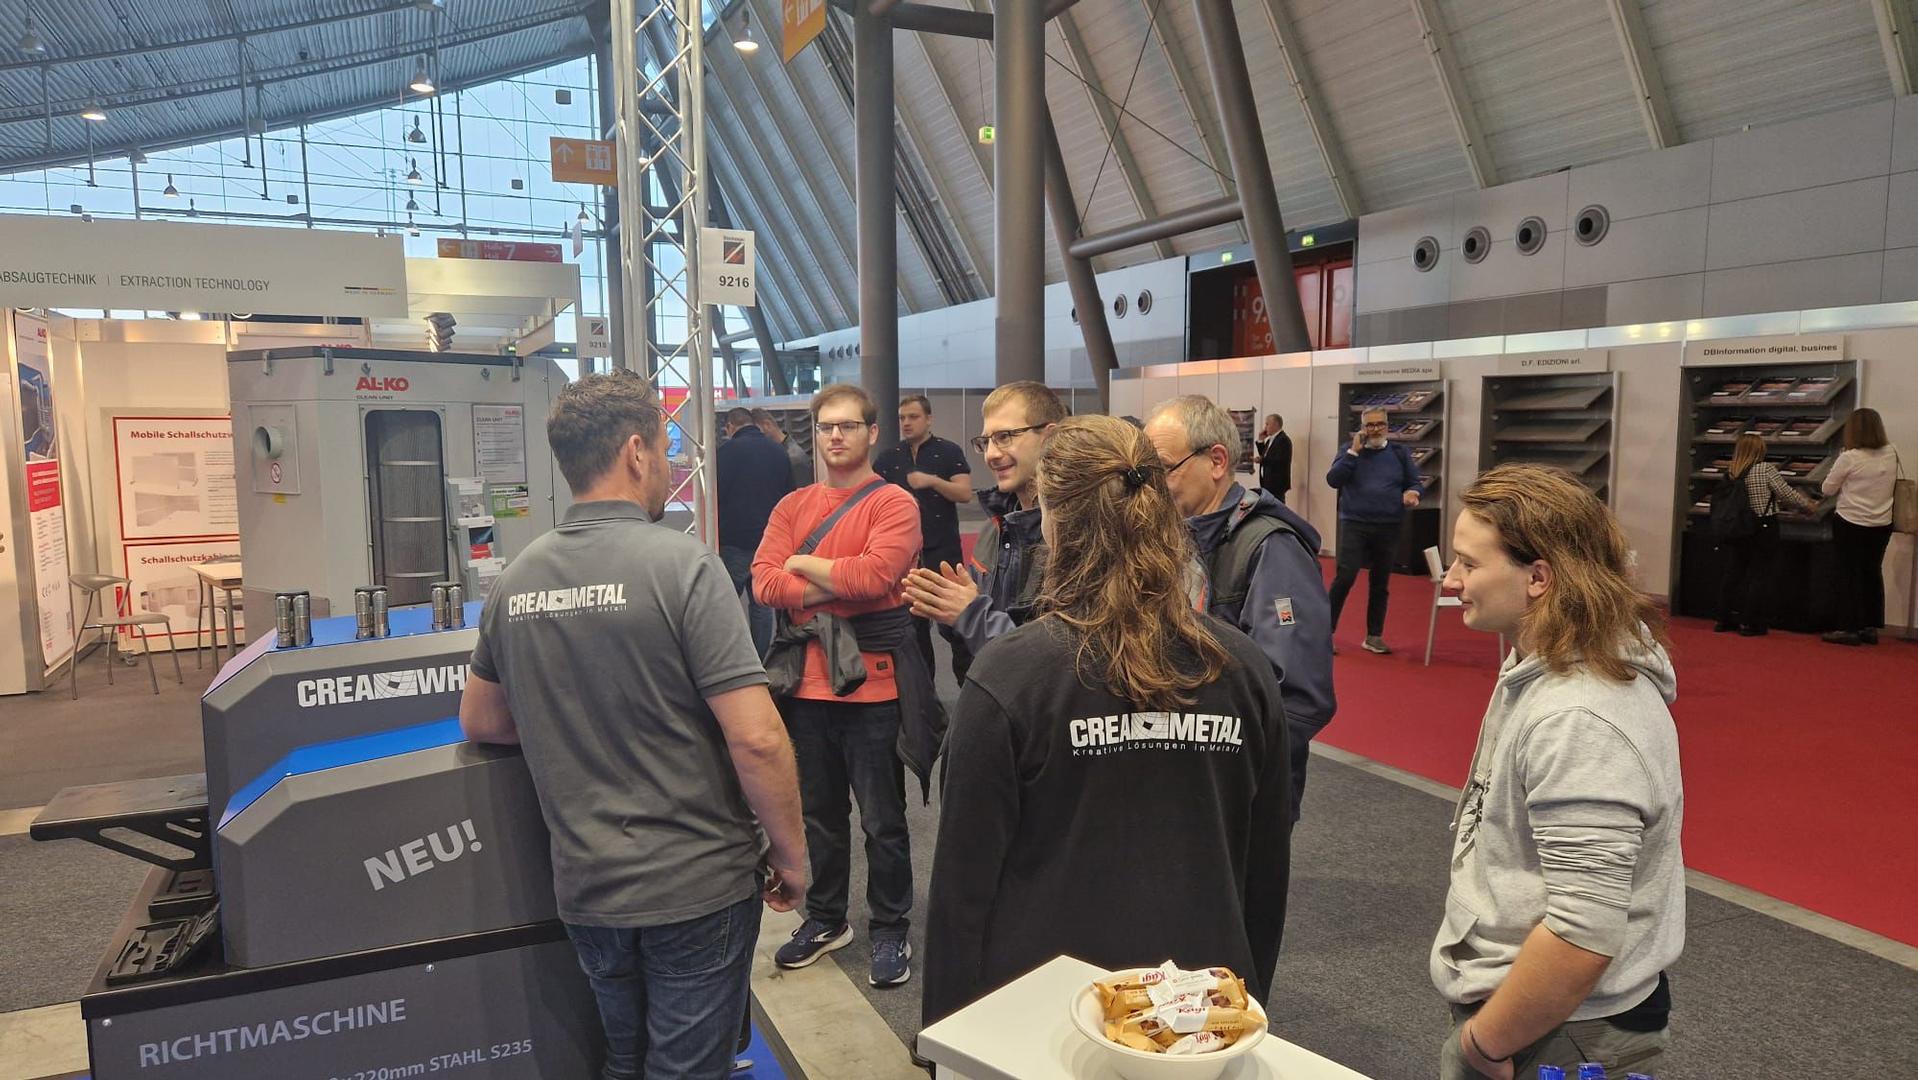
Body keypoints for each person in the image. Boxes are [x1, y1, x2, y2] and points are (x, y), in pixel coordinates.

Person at [458, 370, 808, 1080]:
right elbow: (757, 737)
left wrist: (574, 714)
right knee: (688, 1067)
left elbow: (482, 720)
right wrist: (793, 856)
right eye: (665, 448)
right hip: (695, 882)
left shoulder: (517, 579)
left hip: (588, 886)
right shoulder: (684, 567)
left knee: (624, 1059)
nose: (671, 466)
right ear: (636, 452)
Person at [921, 414, 1292, 1026]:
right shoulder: (1243, 667)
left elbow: (963, 889)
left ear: (1052, 520)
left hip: (1044, 1011)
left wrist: (945, 1037)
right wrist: (1249, 1003)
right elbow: (1266, 871)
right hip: (1202, 1008)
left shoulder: (1009, 675)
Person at [1433, 464, 1683, 1080]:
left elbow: (1582, 933)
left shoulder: (1579, 717)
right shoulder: (1543, 664)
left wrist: (1483, 1045)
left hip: (1558, 1030)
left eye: (1469, 563)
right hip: (1542, 1018)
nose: (1452, 578)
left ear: (1539, 578)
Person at [753, 384, 940, 989]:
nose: (836, 436)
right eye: (827, 426)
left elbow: (877, 576)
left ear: (871, 432)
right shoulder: (792, 505)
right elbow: (763, 583)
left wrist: (801, 566)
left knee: (883, 821)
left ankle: (890, 927)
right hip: (804, 691)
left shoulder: (893, 503)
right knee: (821, 817)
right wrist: (836, 582)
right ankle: (828, 918)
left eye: (848, 426)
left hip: (874, 690)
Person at [1145, 395, 1334, 820]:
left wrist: (1211, 759)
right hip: (1182, 778)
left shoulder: (1272, 548)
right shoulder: (1179, 539)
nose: (1153, 486)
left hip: (1237, 790)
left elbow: (1297, 699)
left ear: (1216, 461)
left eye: (1164, 469)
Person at [901, 380, 1066, 656]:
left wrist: (971, 614)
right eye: (986, 441)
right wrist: (953, 613)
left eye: (1005, 437)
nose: (991, 454)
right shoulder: (996, 527)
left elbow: (1053, 658)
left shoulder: (1075, 533)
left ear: (1049, 437)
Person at [874, 394, 975, 686]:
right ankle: (924, 694)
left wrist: (932, 481)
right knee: (914, 629)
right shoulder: (889, 457)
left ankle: (969, 685)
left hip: (943, 551)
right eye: (902, 418)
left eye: (913, 417)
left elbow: (964, 493)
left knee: (956, 625)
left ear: (929, 419)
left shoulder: (948, 451)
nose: (906, 423)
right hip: (905, 556)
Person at [1324, 408, 1422, 654]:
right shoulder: (1349, 451)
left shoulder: (1399, 453)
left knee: (1380, 583)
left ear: (1387, 426)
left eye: (1380, 424)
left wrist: (1413, 492)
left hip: (1389, 525)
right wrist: (1353, 453)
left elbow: (1414, 482)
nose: (1375, 429)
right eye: (1370, 425)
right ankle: (1324, 633)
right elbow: (1333, 480)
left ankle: (1374, 636)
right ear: (1362, 428)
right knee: (1345, 578)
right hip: (1354, 523)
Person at [1713, 433, 1816, 637]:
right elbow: (1786, 494)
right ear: (1759, 450)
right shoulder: (1765, 469)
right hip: (1763, 527)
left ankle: (1723, 619)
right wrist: (1809, 506)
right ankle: (1750, 622)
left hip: (1737, 528)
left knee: (1734, 572)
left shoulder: (1732, 471)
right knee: (1759, 574)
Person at [717, 405, 795, 656]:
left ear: (730, 427)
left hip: (734, 540)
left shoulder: (725, 452)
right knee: (762, 605)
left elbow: (716, 496)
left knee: (727, 604)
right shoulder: (778, 451)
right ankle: (760, 660)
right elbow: (790, 497)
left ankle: (732, 658)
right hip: (769, 540)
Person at [1820, 407, 1899, 646]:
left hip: (1851, 522)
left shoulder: (1850, 457)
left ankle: (1848, 627)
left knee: (1848, 575)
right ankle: (1869, 626)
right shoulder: (1891, 452)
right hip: (1881, 523)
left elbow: (1827, 489)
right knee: (1871, 573)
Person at [754, 406, 814, 490]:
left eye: (755, 431)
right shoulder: (778, 453)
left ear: (767, 425)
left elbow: (803, 495)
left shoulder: (794, 459)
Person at [1252, 413, 1293, 503]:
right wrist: (1261, 440)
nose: (1265, 427)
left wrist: (1261, 460)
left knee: (1276, 507)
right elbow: (1264, 455)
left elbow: (1279, 461)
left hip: (1277, 484)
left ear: (1275, 424)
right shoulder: (1271, 440)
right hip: (1267, 482)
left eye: (1267, 424)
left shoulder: (1283, 440)